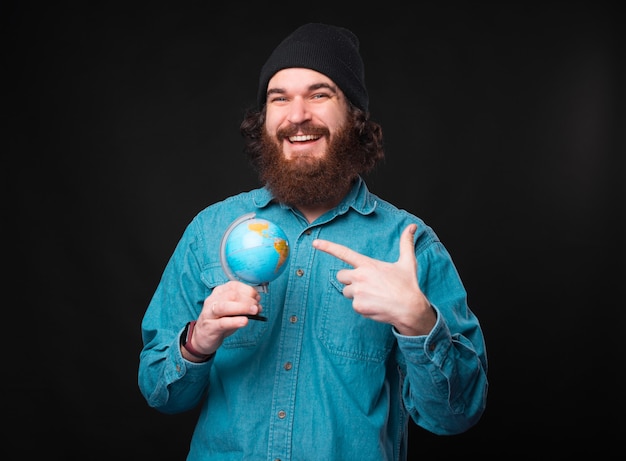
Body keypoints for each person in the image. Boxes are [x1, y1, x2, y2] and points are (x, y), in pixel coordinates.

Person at [138, 22, 488, 460]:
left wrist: (419, 322)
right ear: (263, 120)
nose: (297, 114)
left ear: (355, 117)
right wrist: (197, 341)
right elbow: (159, 391)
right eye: (279, 98)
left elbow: (456, 416)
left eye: (320, 94)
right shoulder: (211, 230)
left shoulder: (409, 246)